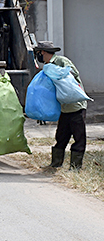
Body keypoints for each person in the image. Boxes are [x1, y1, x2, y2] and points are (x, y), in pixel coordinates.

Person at [35, 41, 87, 170]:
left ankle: (75, 167)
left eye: (39, 53)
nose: (39, 56)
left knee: (79, 137)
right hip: (64, 108)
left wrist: (56, 72)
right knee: (61, 136)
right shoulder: (47, 66)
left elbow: (73, 75)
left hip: (76, 106)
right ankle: (56, 163)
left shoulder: (61, 61)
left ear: (43, 52)